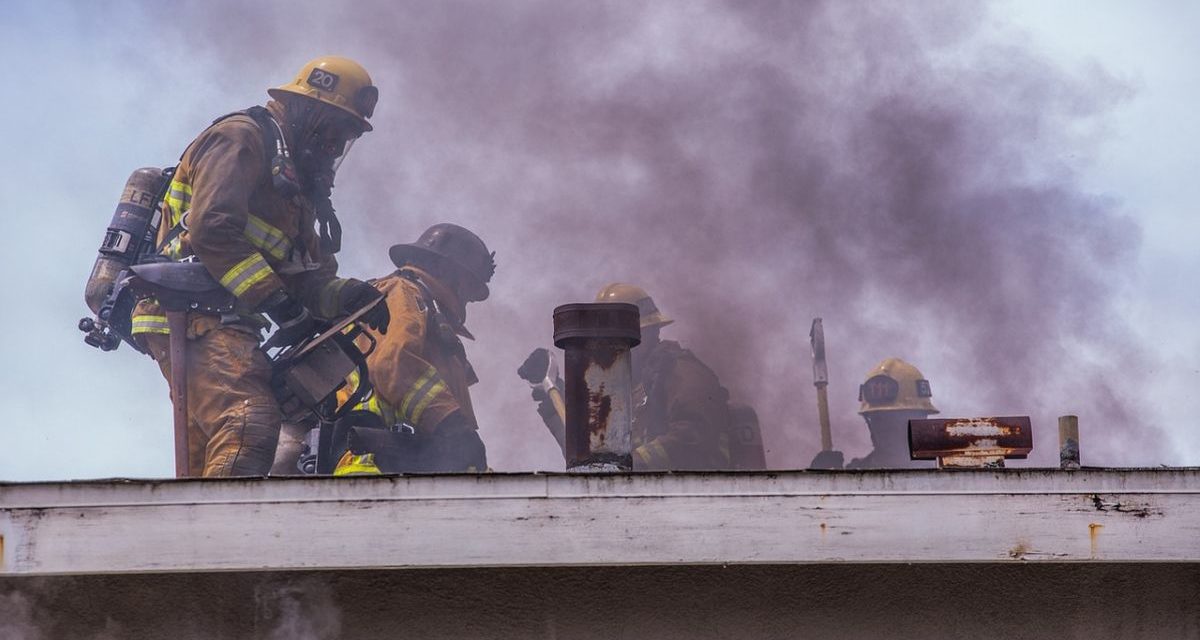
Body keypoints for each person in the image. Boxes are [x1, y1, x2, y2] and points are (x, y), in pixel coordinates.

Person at [131, 56, 390, 476]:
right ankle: (229, 537)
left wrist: (349, 295)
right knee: (248, 423)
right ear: (310, 110)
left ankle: (194, 535)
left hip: (226, 321)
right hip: (187, 312)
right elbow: (212, 229)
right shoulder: (241, 139)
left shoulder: (295, 188)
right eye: (335, 129)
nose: (336, 146)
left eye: (348, 136)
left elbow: (306, 278)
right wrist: (279, 304)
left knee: (207, 458)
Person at [522, 283, 761, 470]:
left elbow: (693, 434)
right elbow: (589, 457)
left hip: (696, 501)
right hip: (648, 503)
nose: (606, 348)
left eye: (614, 338)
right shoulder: (622, 390)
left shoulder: (681, 372)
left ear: (646, 333)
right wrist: (553, 395)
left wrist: (631, 464)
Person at [333, 223, 495, 475]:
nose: (469, 298)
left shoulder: (432, 316)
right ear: (445, 269)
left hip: (406, 470)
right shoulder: (402, 292)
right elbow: (394, 363)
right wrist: (451, 422)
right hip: (372, 467)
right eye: (469, 284)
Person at [809, 357, 938, 469]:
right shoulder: (857, 476)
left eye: (894, 419)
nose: (883, 428)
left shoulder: (946, 473)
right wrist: (825, 484)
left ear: (920, 418)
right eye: (877, 419)